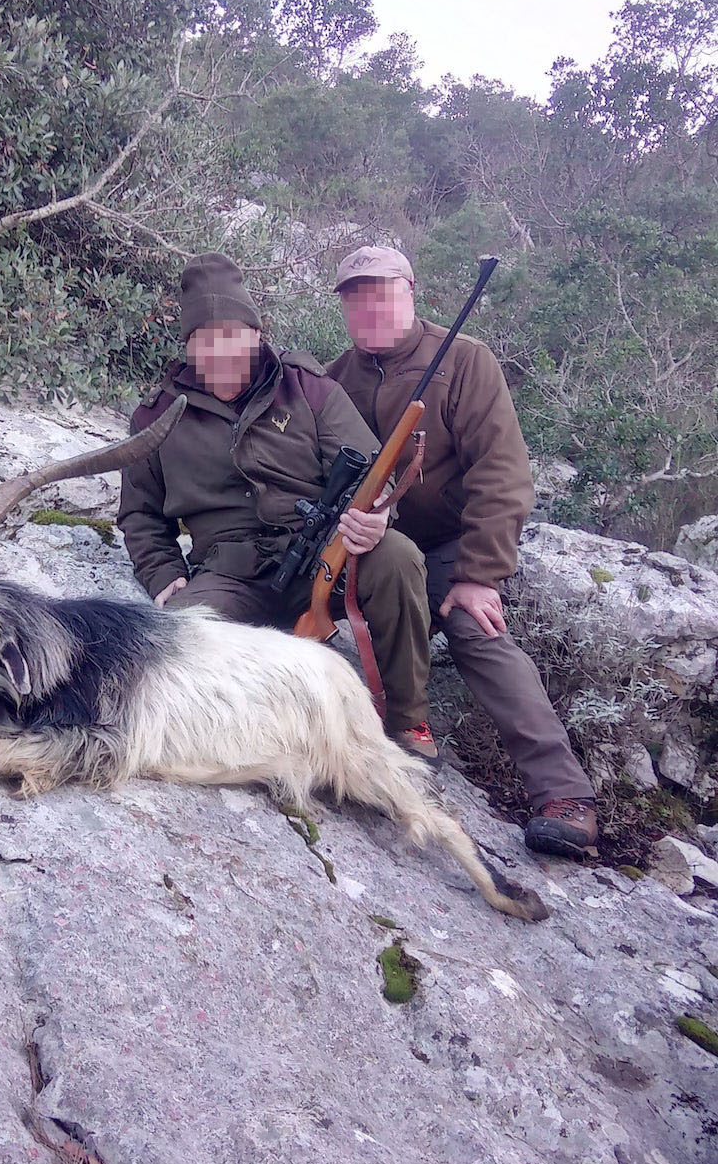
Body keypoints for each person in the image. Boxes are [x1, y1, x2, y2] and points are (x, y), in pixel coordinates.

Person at [327, 243, 597, 858]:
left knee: (477, 629)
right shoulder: (334, 378)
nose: (369, 309)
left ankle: (563, 795)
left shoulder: (466, 362)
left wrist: (479, 574)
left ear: (411, 291)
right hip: (367, 550)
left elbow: (501, 476)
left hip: (447, 548)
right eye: (355, 299)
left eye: (382, 293)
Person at [117, 251, 436, 752]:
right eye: (205, 340)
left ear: (255, 334)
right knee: (178, 640)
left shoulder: (309, 388)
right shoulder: (155, 417)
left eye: (232, 337)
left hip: (322, 557)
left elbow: (374, 474)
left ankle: (407, 720)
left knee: (396, 556)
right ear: (188, 345)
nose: (220, 353)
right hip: (229, 574)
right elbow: (139, 513)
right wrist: (162, 573)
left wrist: (376, 516)